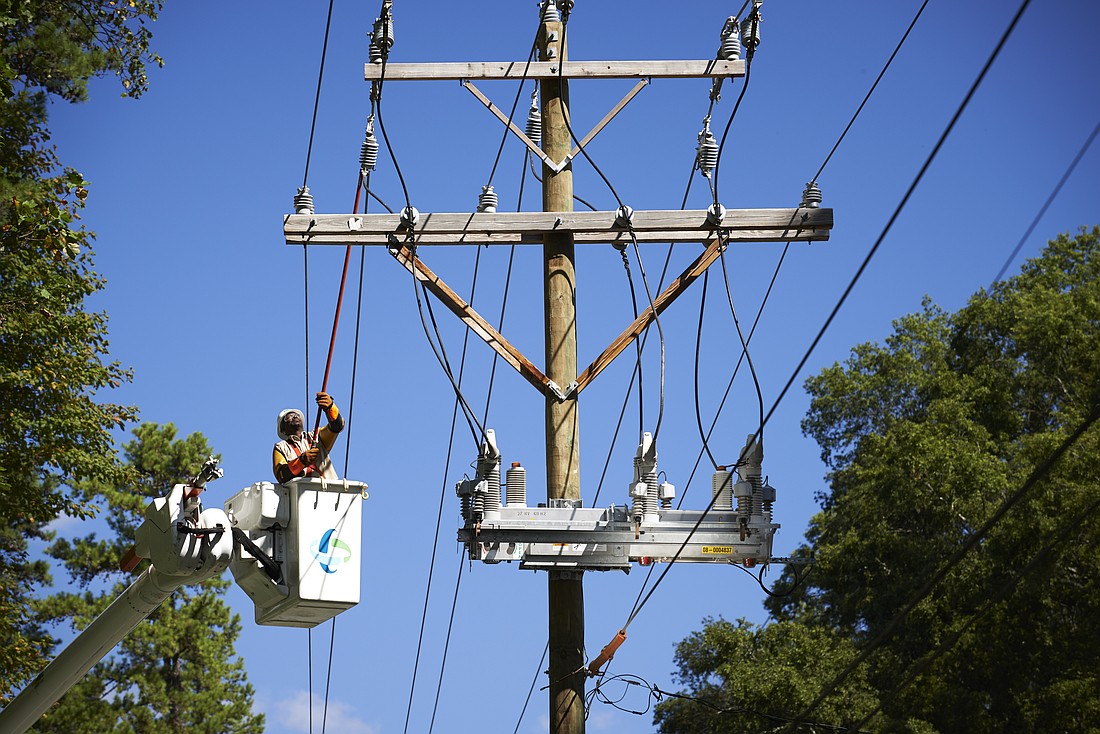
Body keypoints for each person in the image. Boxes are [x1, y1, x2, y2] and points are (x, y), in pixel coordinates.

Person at [272, 392, 345, 483]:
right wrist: (301, 461)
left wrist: (330, 407)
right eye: (289, 417)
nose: (294, 416)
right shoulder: (281, 447)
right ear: (283, 429)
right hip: (301, 493)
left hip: (328, 490)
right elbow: (281, 475)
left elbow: (337, 426)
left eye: (297, 415)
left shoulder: (316, 436)